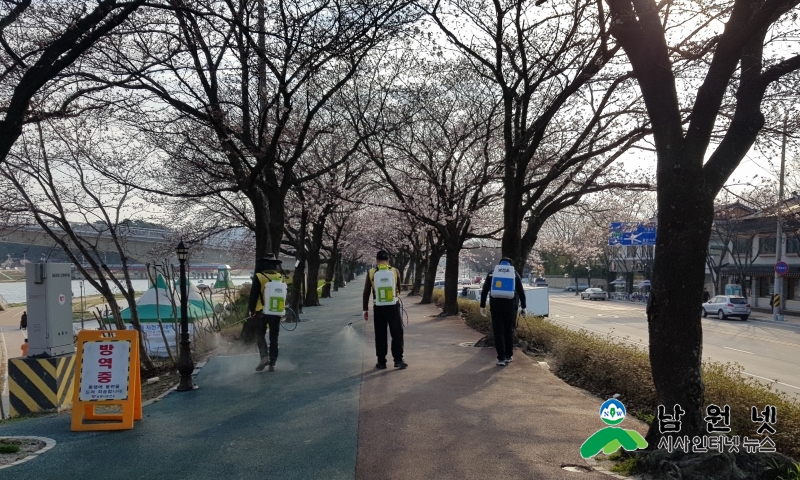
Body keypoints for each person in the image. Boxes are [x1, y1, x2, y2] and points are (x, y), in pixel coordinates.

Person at [363, 250, 407, 369]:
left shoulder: (371, 272)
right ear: (388, 261)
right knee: (397, 333)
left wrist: (365, 310)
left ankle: (381, 362)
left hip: (378, 307)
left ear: (377, 261)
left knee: (380, 334)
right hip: (393, 306)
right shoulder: (394, 271)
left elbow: (366, 292)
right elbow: (398, 288)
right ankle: (398, 360)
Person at [480, 257, 527, 366]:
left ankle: (500, 358)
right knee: (508, 331)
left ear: (500, 264)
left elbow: (485, 290)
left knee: (498, 332)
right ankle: (508, 356)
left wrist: (482, 306)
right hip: (510, 307)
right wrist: (523, 307)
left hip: (495, 306)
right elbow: (521, 291)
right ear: (511, 265)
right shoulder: (514, 274)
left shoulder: (492, 273)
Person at [247, 255, 285, 372]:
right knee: (274, 338)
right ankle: (272, 363)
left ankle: (264, 357)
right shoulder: (279, 276)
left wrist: (251, 309)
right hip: (275, 311)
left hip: (261, 311)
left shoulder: (259, 276)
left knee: (260, 336)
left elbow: (254, 295)